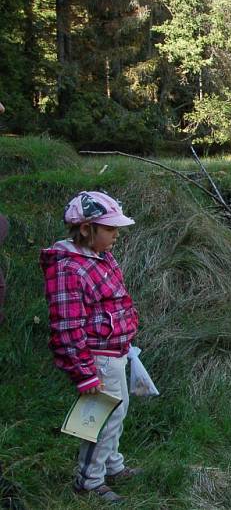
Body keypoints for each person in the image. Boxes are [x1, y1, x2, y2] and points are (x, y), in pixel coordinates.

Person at [40, 191, 141, 503]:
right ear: (86, 229)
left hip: (116, 351)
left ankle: (112, 464)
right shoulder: (68, 268)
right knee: (101, 418)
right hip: (97, 357)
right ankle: (90, 480)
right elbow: (67, 327)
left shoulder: (100, 256)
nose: (116, 235)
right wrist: (85, 373)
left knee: (118, 411)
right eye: (110, 229)